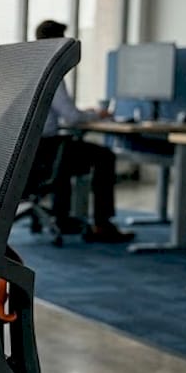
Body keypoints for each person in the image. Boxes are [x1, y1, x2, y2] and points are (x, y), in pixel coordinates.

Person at [33, 19, 135, 243]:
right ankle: (102, 224)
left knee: (71, 150)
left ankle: (63, 215)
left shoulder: (29, 69)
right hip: (46, 150)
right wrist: (97, 114)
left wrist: (83, 113)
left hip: (30, 152)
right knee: (104, 157)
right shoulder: (51, 73)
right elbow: (72, 117)